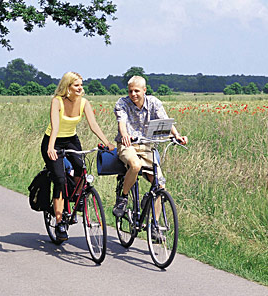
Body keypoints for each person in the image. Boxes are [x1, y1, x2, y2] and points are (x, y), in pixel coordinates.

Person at [41, 71, 115, 241]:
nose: (80, 88)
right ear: (67, 87)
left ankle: (77, 197)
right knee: (59, 180)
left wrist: (107, 142)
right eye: (76, 85)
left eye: (81, 85)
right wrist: (51, 148)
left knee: (81, 169)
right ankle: (60, 223)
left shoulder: (84, 103)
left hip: (71, 140)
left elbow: (93, 125)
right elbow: (55, 126)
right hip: (53, 140)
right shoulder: (57, 101)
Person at [112, 76, 188, 238]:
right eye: (130, 91)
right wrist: (124, 135)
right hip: (128, 145)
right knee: (135, 165)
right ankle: (123, 198)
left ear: (144, 90)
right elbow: (122, 122)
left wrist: (177, 136)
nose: (133, 94)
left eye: (137, 91)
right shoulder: (122, 103)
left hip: (147, 146)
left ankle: (154, 225)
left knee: (160, 185)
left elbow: (164, 120)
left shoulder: (154, 102)